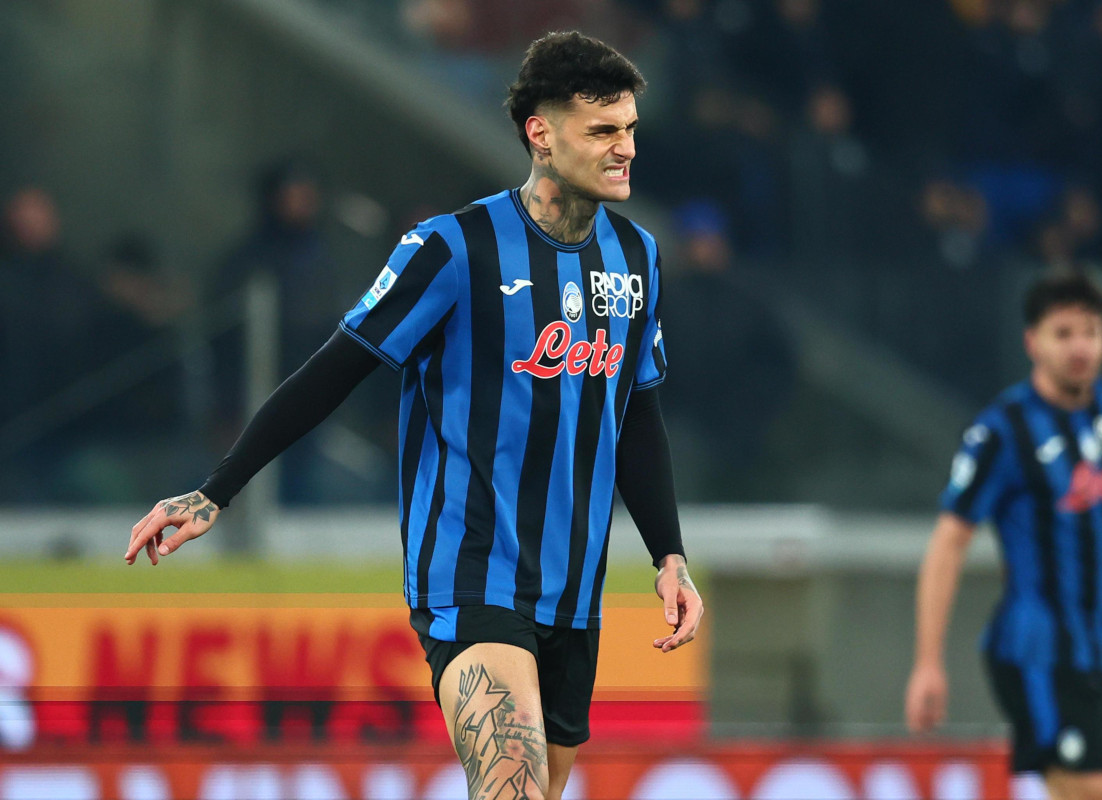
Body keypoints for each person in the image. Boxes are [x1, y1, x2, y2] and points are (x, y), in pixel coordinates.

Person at [125, 31, 703, 800]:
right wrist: (216, 491)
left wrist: (669, 554)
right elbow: (332, 372)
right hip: (469, 578)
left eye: (629, 128)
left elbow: (634, 414)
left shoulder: (638, 259)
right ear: (541, 132)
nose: (625, 147)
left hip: (573, 592)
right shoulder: (454, 249)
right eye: (602, 130)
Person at [905, 273, 1102, 800]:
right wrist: (929, 662)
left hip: (1091, 650)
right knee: (1100, 793)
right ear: (1032, 342)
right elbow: (949, 543)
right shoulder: (1001, 432)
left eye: (1090, 331)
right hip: (1034, 651)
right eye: (1063, 333)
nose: (1080, 347)